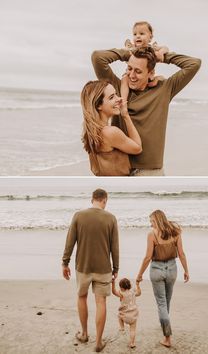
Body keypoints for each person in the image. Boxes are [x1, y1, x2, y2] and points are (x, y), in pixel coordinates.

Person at [91, 31, 201, 176]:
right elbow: (98, 58)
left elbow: (194, 64)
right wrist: (129, 53)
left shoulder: (164, 89)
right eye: (129, 69)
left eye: (138, 71)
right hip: (120, 171)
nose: (131, 75)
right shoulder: (117, 89)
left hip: (151, 173)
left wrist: (162, 57)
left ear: (150, 73)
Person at [62, 189, 119, 352]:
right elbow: (115, 247)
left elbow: (70, 241)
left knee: (81, 297)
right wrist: (116, 267)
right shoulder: (111, 218)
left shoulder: (79, 216)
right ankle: (99, 342)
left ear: (92, 199)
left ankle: (85, 333)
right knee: (101, 302)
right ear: (105, 200)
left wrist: (65, 262)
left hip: (83, 266)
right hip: (103, 268)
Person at [136, 209, 189, 348]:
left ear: (158, 220)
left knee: (161, 303)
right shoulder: (175, 231)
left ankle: (167, 337)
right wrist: (186, 270)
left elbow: (148, 257)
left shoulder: (152, 235)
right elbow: (182, 253)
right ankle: (165, 324)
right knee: (166, 300)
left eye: (152, 221)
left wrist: (139, 274)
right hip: (172, 269)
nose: (151, 224)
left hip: (157, 270)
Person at [81, 80, 142, 176]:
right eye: (111, 97)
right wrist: (125, 115)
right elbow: (138, 148)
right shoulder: (110, 132)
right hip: (119, 187)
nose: (119, 99)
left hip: (106, 187)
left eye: (116, 94)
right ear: (98, 105)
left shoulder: (90, 132)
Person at [121, 21, 169, 101]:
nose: (138, 36)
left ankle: (148, 94)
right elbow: (123, 52)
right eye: (135, 34)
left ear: (150, 37)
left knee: (161, 78)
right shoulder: (132, 49)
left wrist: (160, 53)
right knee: (124, 79)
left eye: (142, 34)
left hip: (148, 76)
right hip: (131, 75)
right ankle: (124, 101)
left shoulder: (152, 49)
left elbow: (165, 48)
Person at [112, 277, 141, 349]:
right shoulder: (133, 292)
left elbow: (114, 292)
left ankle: (122, 327)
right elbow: (139, 293)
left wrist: (113, 284)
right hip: (133, 315)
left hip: (124, 316)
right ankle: (132, 343)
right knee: (133, 330)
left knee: (119, 315)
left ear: (121, 287)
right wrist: (138, 285)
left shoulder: (121, 293)